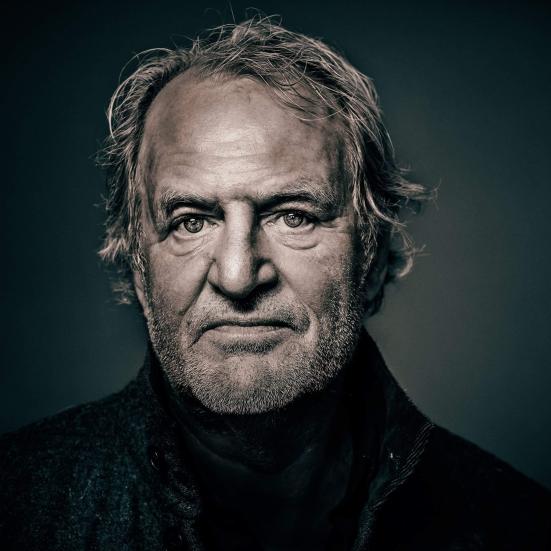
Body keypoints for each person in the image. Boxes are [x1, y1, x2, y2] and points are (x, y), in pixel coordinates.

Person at [1, 17, 549, 550]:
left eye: (293, 216)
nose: (238, 276)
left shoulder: (518, 528)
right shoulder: (18, 506)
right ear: (135, 268)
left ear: (374, 260)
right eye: (191, 222)